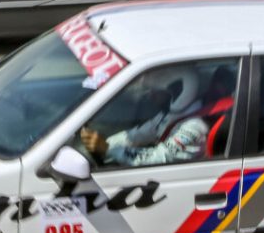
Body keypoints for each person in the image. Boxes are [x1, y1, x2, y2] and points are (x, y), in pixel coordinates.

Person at [79, 65, 235, 167]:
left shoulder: (194, 128)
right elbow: (137, 135)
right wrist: (101, 145)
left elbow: (156, 159)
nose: (150, 96)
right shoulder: (176, 112)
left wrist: (107, 149)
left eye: (156, 91)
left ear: (178, 92)